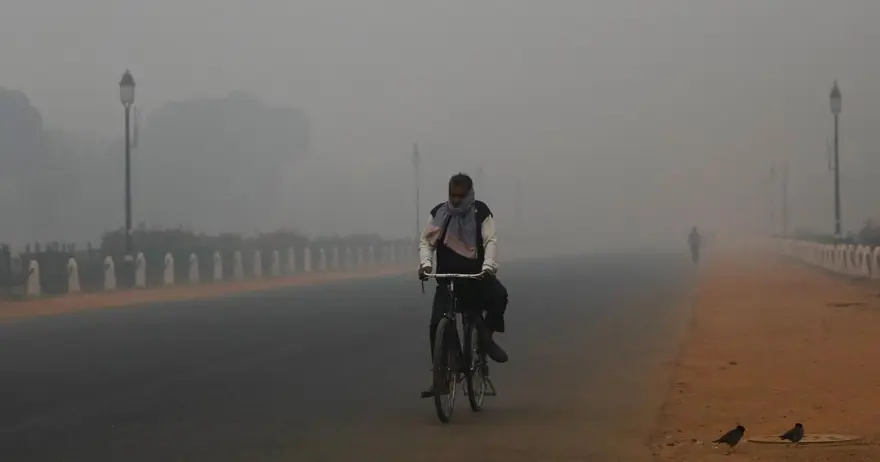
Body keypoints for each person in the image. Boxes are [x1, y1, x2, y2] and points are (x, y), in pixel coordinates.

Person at [418, 173, 508, 395]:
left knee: (499, 296)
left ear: (470, 194)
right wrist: (426, 264)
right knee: (436, 323)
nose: (456, 200)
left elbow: (490, 241)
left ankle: (487, 338)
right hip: (447, 279)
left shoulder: (481, 212)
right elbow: (426, 242)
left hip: (476, 277)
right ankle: (442, 376)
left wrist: (488, 266)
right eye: (452, 195)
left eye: (461, 196)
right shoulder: (439, 214)